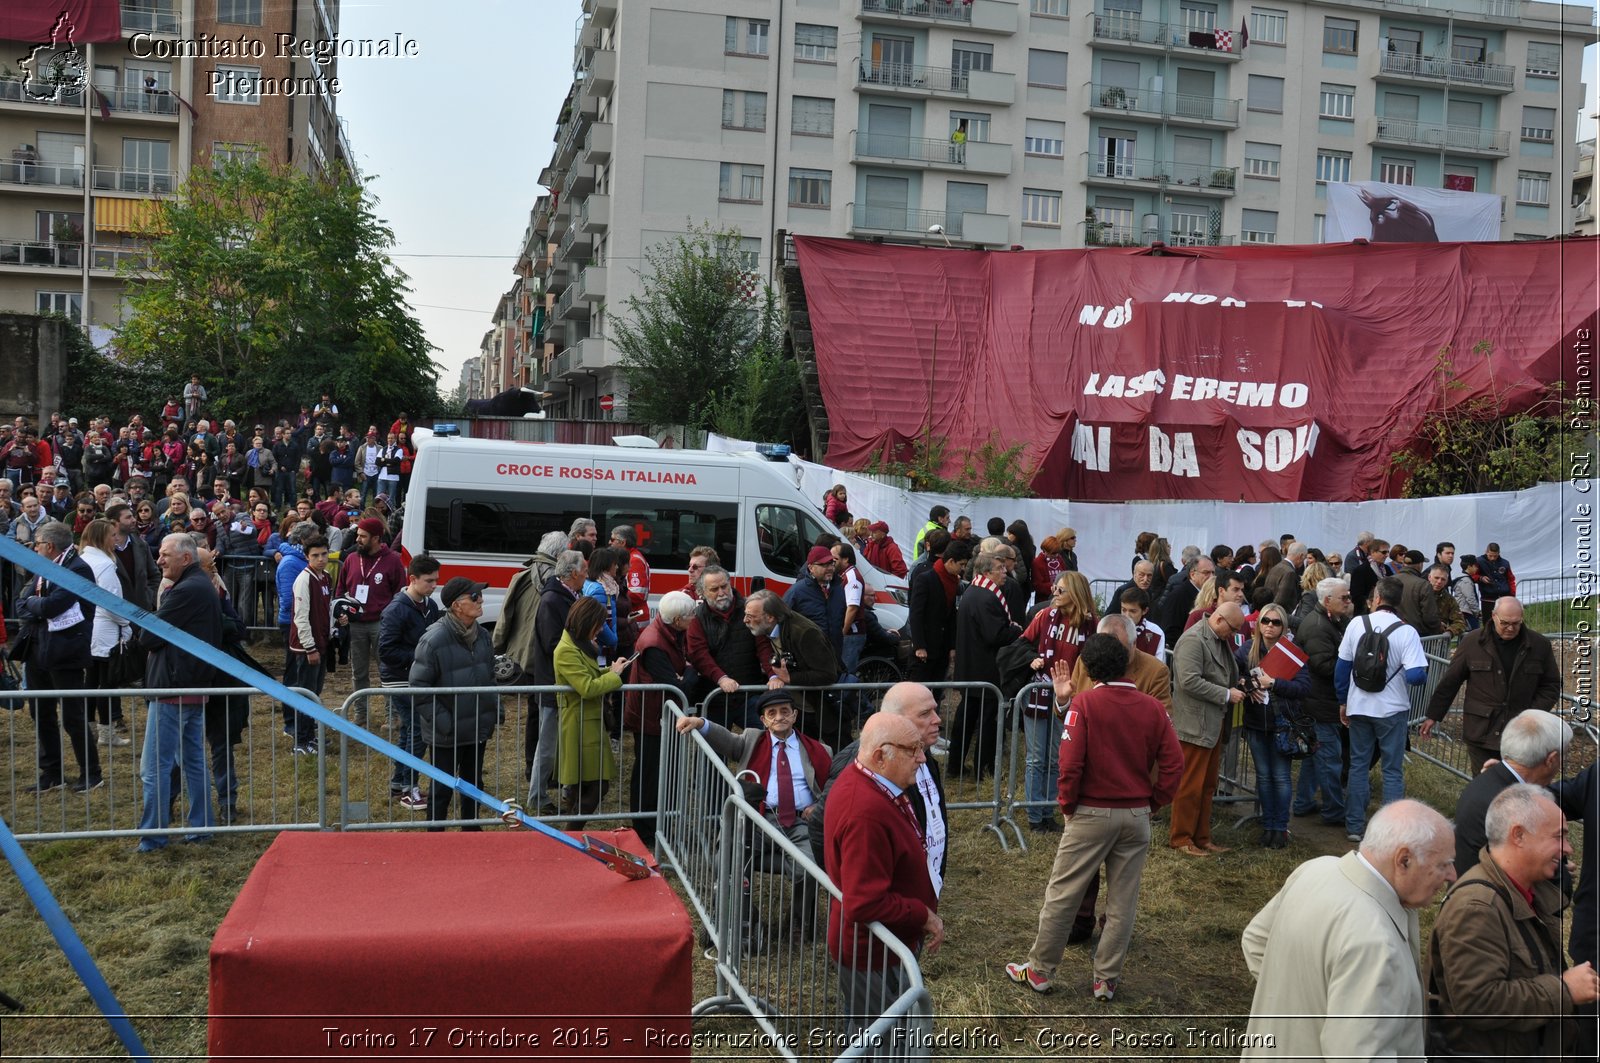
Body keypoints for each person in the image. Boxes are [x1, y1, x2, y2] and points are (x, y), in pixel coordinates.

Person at [1004, 635, 1183, 1002]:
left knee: (1063, 893)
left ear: (1087, 668)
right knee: (1123, 900)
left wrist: (1067, 806)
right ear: (1127, 663)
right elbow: (1174, 763)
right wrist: (1154, 803)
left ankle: (1040, 970)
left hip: (1090, 812)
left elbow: (1069, 764)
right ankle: (1106, 978)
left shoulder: (1084, 704)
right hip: (1135, 814)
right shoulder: (1151, 707)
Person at [1241, 799, 1457, 1059]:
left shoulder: (1315, 869)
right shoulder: (1375, 942)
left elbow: (1255, 942)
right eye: (1443, 864)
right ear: (1404, 860)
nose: (1452, 875)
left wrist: (1303, 1007)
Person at [1426, 784, 1597, 1059]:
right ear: (1518, 835)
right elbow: (1477, 1003)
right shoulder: (1477, 908)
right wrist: (1564, 990)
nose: (1569, 848)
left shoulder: (1526, 892)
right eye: (1559, 836)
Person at [824, 712, 942, 1047]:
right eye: (913, 750)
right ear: (880, 756)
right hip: (874, 952)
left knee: (869, 1031)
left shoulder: (868, 780)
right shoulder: (864, 812)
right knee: (878, 1038)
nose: (922, 758)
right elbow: (865, 902)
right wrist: (923, 915)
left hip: (881, 947)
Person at [677, 688, 833, 939]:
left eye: (785, 711)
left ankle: (798, 920)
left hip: (799, 822)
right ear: (764, 720)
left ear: (794, 715)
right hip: (758, 819)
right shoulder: (751, 739)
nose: (779, 717)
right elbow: (725, 739)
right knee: (725, 859)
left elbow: (832, 785)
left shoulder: (819, 750)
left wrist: (819, 806)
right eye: (772, 713)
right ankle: (745, 918)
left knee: (809, 866)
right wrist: (700, 723)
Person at [813, 683, 947, 895]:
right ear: (897, 720)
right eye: (925, 713)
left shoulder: (920, 751)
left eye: (935, 709)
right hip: (880, 906)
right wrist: (842, 886)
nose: (937, 719)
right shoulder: (862, 762)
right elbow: (820, 825)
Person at [135, 533, 223, 851]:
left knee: (154, 767)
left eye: (164, 555)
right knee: (193, 762)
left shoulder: (185, 591)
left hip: (174, 688)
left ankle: (154, 836)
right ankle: (200, 827)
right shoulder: (199, 585)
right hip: (191, 685)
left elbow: (147, 637)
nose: (159, 561)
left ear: (185, 559)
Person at [1420, 596, 1561, 776]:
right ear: (1493, 616)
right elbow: (1451, 681)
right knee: (1484, 785)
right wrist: (1433, 715)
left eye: (1516, 623)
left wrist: (1531, 714)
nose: (1510, 628)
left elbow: (1551, 685)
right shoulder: (1472, 642)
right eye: (1505, 623)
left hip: (1519, 733)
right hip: (1481, 731)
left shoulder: (1539, 645)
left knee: (1514, 787)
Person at [1336, 576, 1428, 842]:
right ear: (1399, 602)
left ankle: (1354, 826)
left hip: (1359, 706)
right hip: (1392, 709)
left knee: (1358, 766)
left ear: (1376, 598)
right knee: (1391, 770)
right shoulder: (1407, 631)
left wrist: (1343, 701)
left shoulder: (1356, 624)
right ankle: (1390, 831)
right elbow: (1415, 677)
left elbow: (1342, 668)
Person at [13, 520, 103, 793]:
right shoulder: (45, 567)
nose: (34, 549)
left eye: (37, 545)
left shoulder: (78, 569)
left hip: (66, 651)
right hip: (38, 649)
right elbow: (21, 602)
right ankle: (51, 772)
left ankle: (91, 773)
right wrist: (35, 607)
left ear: (49, 546)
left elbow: (53, 606)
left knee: (73, 717)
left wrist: (35, 607)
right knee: (41, 713)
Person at [410, 577, 499, 830]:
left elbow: (489, 676)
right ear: (457, 605)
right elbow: (419, 688)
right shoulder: (434, 639)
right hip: (446, 732)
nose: (480, 600)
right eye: (474, 597)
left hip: (476, 727)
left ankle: (471, 829)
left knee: (474, 784)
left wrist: (494, 709)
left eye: (479, 595)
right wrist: (445, 723)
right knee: (442, 788)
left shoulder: (482, 635)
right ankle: (436, 833)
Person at [1450, 708, 1571, 876]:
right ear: (1551, 759)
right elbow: (1523, 869)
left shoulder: (1491, 778)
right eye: (1563, 757)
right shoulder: (1513, 805)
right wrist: (1560, 873)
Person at [1018, 573, 1096, 832]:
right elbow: (1021, 645)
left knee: (1057, 756)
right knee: (1037, 757)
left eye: (1060, 590)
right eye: (1055, 588)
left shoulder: (1089, 625)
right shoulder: (1044, 616)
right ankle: (1034, 814)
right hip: (1039, 691)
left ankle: (1049, 810)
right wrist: (1032, 659)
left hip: (1070, 696)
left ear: (1074, 593)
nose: (1054, 593)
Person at [1167, 602, 1245, 856]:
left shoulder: (1218, 639)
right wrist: (1225, 694)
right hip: (1194, 726)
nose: (1232, 635)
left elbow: (1223, 673)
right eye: (1232, 629)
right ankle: (1181, 838)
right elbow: (1189, 681)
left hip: (1212, 725)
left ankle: (1202, 837)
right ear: (1220, 620)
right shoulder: (1192, 640)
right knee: (1190, 786)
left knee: (1207, 785)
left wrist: (1238, 681)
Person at [624, 590, 697, 847]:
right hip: (651, 719)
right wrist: (688, 671)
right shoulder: (655, 643)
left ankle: (658, 826)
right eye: (690, 615)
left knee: (662, 774)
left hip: (658, 717)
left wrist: (684, 673)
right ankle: (645, 830)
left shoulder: (669, 633)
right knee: (649, 775)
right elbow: (676, 685)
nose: (694, 619)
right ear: (677, 620)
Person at [1235, 602, 1311, 849]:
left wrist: (1274, 683)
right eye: (1265, 621)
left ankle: (1280, 827)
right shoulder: (1247, 649)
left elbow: (1304, 688)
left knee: (1280, 777)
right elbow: (1234, 677)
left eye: (1276, 622)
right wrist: (1249, 687)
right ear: (1258, 624)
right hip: (1256, 723)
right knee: (1264, 778)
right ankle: (1268, 826)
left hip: (1283, 725)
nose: (1269, 626)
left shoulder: (1291, 653)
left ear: (1283, 627)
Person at [553, 595, 629, 822]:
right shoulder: (566, 650)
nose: (599, 631)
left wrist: (613, 671)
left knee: (585, 787)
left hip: (588, 722)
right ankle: (571, 832)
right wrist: (614, 676)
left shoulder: (578, 644)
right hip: (578, 724)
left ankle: (570, 834)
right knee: (594, 786)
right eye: (598, 625)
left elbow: (589, 678)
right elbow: (586, 687)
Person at [950, 552, 1022, 783]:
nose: (1005, 572)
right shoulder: (986, 596)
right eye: (1000, 568)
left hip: (972, 667)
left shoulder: (973, 591)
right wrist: (1015, 629)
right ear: (986, 572)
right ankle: (984, 768)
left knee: (967, 718)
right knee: (987, 722)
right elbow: (995, 635)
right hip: (985, 670)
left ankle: (956, 765)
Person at [378, 555, 442, 812]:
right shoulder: (396, 610)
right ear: (412, 579)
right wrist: (420, 656)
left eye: (436, 580)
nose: (434, 585)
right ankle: (408, 788)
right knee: (418, 731)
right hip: (400, 680)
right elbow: (386, 650)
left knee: (410, 731)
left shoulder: (430, 605)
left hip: (418, 678)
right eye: (429, 581)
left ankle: (399, 782)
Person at [744, 589, 842, 747]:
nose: (745, 620)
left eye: (751, 616)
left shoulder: (804, 633)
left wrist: (790, 679)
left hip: (822, 709)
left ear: (770, 617)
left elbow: (828, 674)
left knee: (837, 755)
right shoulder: (767, 629)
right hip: (799, 708)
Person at [1291, 576, 1351, 828]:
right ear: (1327, 601)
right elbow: (1324, 666)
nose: (1349, 601)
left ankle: (1304, 802)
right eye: (1344, 598)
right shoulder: (1317, 626)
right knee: (1329, 758)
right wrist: (1352, 663)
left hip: (1320, 699)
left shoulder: (1331, 620)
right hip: (1319, 701)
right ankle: (1334, 811)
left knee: (1316, 757)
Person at [528, 550, 585, 812]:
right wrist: (585, 647)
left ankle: (567, 790)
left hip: (568, 682)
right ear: (572, 573)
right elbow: (553, 644)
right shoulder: (552, 601)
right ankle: (537, 797)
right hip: (554, 683)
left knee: (565, 743)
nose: (587, 573)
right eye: (583, 569)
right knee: (548, 745)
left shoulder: (571, 596)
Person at [335, 516, 406, 728]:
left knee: (387, 670)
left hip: (381, 624)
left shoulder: (392, 560)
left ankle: (392, 715)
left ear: (376, 538)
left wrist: (390, 618)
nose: (358, 539)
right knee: (359, 672)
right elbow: (340, 590)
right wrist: (340, 612)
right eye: (358, 535)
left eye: (363, 536)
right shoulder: (351, 559)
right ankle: (361, 714)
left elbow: (399, 593)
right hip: (355, 624)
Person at [684, 565, 766, 729]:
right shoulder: (697, 618)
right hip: (714, 698)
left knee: (764, 746)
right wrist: (721, 678)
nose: (721, 593)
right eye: (714, 589)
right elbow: (699, 654)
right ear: (703, 592)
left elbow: (763, 645)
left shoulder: (749, 609)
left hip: (749, 694)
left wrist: (773, 677)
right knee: (711, 752)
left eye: (724, 586)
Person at [78, 518, 132, 750]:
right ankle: (106, 731)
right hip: (105, 628)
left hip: (89, 627)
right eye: (112, 535)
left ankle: (90, 727)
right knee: (105, 684)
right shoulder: (105, 564)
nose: (116, 539)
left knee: (91, 681)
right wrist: (126, 623)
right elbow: (112, 602)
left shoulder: (83, 559)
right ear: (102, 538)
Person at [284, 535, 333, 755]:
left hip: (321, 642)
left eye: (324, 554)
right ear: (306, 557)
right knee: (306, 694)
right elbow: (300, 618)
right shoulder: (304, 579)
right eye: (315, 555)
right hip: (306, 647)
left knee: (315, 692)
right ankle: (300, 741)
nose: (321, 559)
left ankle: (310, 735)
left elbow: (325, 609)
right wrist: (310, 648)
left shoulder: (327, 577)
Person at [907, 538, 970, 685]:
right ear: (951, 561)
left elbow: (950, 615)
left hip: (941, 648)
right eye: (961, 564)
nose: (963, 569)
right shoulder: (926, 579)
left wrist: (952, 646)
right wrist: (919, 645)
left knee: (936, 692)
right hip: (925, 648)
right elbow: (916, 614)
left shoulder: (953, 581)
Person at [1475, 541, 1514, 613]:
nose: (1493, 558)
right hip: (1488, 599)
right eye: (1490, 556)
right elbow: (1473, 575)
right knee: (1488, 622)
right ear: (1486, 552)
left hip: (1504, 598)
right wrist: (1480, 578)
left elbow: (1511, 579)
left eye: (1495, 556)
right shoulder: (1479, 561)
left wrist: (1512, 594)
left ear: (1499, 553)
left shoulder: (1505, 563)